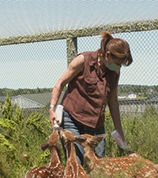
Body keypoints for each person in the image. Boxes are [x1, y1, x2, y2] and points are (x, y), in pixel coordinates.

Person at [49, 31, 133, 164]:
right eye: (117, 63)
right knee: (76, 162)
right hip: (72, 119)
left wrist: (119, 132)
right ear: (107, 55)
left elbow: (112, 101)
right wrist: (52, 108)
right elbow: (60, 83)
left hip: (96, 125)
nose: (118, 67)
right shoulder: (83, 60)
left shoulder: (115, 72)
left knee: (99, 165)